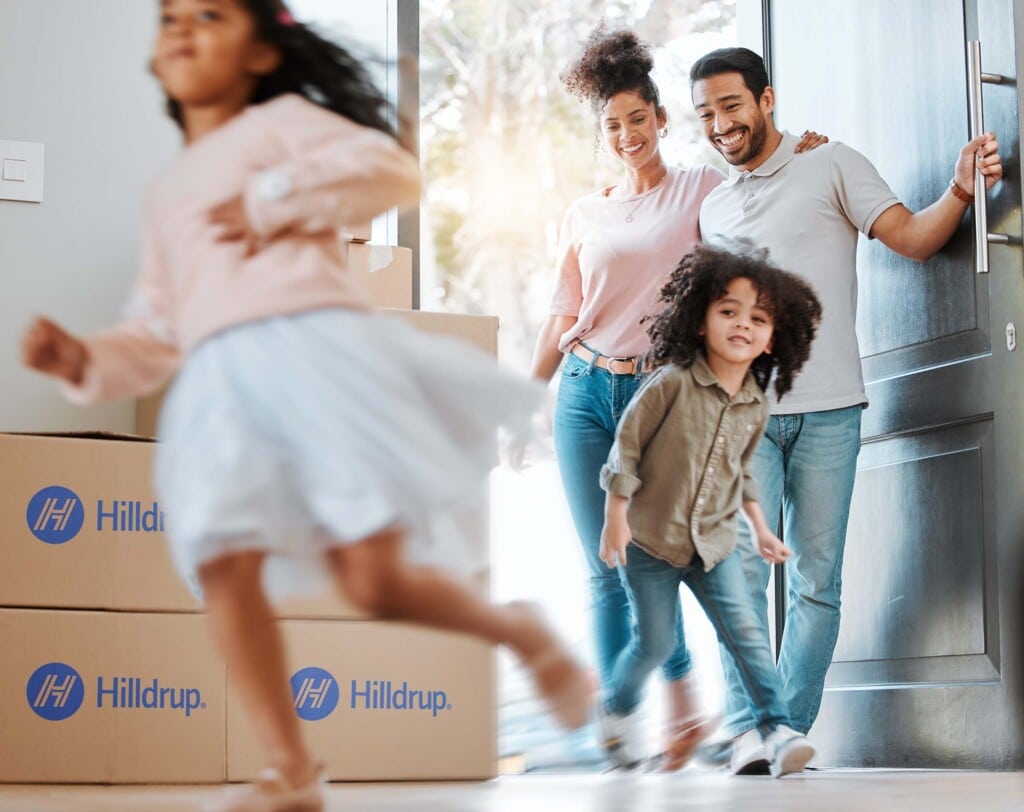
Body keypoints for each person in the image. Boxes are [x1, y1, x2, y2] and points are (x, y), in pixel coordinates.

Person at [20, 2, 593, 810]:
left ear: (260, 53)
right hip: (221, 385)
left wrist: (271, 196)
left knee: (374, 586)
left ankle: (522, 631)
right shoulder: (168, 193)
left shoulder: (283, 123)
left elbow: (392, 174)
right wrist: (84, 359)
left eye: (210, 15)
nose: (182, 28)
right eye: (170, 17)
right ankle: (292, 772)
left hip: (316, 358)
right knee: (221, 560)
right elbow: (156, 328)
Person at [516, 26, 826, 769]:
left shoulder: (701, 190)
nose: (627, 135)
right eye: (612, 125)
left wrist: (802, 155)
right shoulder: (583, 213)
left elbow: (761, 189)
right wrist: (524, 393)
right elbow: (564, 316)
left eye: (637, 119)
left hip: (659, 398)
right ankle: (623, 732)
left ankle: (689, 711)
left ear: (660, 119)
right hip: (584, 391)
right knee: (604, 566)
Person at [690, 46, 1004, 772]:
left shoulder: (831, 163)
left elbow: (915, 241)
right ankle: (750, 729)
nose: (720, 124)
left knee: (816, 581)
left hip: (833, 409)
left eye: (731, 105)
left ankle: (783, 730)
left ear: (766, 101)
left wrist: (960, 190)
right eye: (706, 112)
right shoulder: (713, 205)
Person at [597, 243, 823, 778]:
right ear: (700, 322)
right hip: (650, 542)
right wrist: (615, 518)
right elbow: (624, 451)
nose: (743, 325)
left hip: (714, 544)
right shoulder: (670, 384)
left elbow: (740, 471)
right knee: (653, 644)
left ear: (772, 339)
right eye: (729, 311)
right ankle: (617, 710)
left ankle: (778, 729)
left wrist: (762, 529)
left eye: (759, 318)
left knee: (744, 631)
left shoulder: (753, 402)